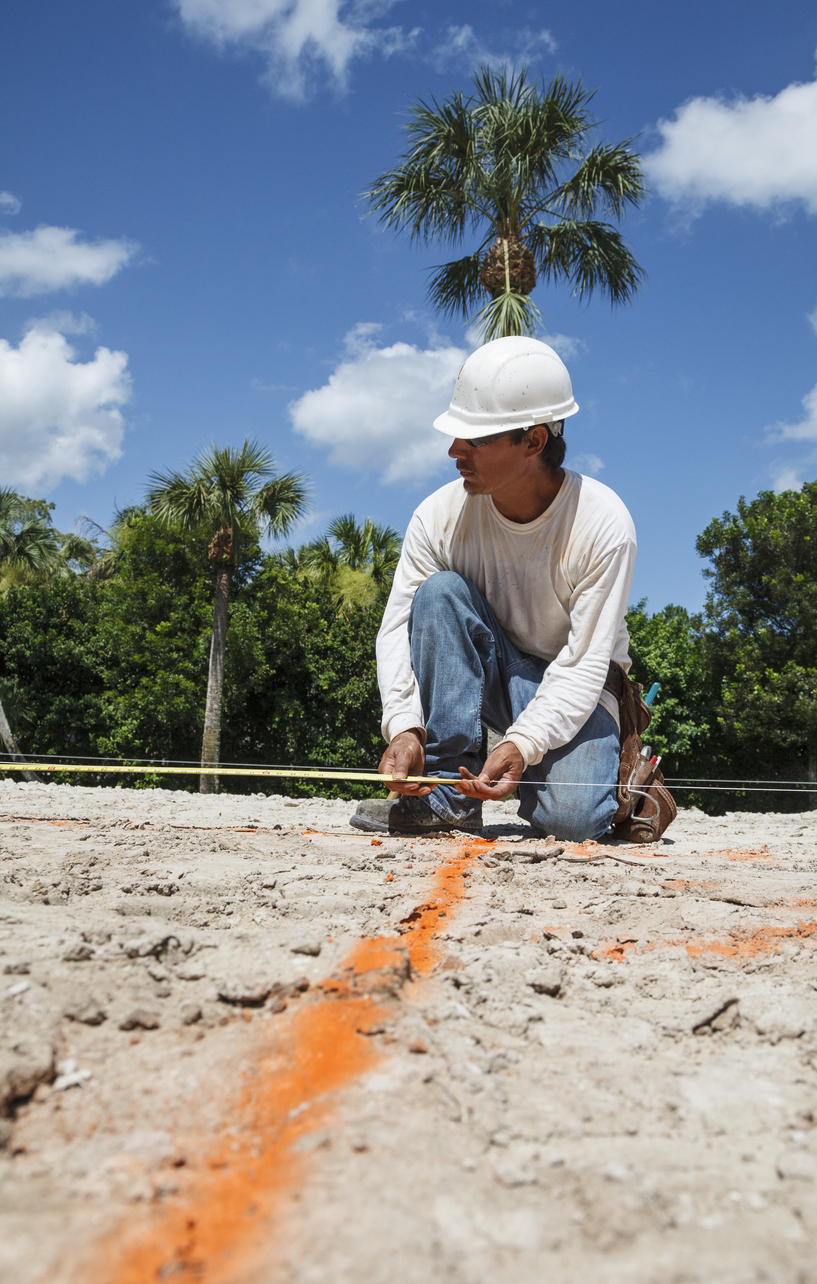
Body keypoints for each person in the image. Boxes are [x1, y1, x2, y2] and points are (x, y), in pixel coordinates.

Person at [350, 336, 636, 841]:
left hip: (578, 686)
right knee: (439, 593)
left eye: (475, 440)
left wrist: (524, 744)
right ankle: (447, 796)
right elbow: (395, 628)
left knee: (573, 822)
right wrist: (404, 725)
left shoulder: (603, 522)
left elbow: (585, 663)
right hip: (498, 675)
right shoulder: (438, 515)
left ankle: (620, 776)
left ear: (533, 441)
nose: (454, 451)